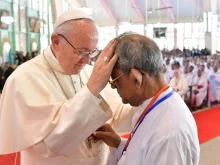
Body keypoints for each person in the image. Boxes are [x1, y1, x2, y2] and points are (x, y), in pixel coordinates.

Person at [0, 9, 120, 165]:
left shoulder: (88, 72)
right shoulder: (24, 78)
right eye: (81, 51)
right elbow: (49, 144)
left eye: (92, 52)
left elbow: (118, 114)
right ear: (56, 42)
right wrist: (91, 89)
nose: (86, 61)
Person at [92, 32, 200, 165]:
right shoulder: (159, 104)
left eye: (115, 80)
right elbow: (146, 153)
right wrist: (118, 143)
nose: (113, 86)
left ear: (136, 78)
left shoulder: (169, 132)